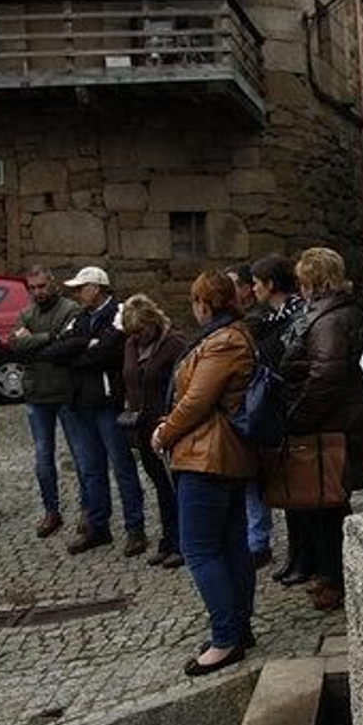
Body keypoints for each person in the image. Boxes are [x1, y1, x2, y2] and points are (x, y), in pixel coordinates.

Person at [152, 271, 258, 676]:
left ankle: (225, 638)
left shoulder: (225, 339)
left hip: (208, 456)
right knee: (230, 544)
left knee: (199, 548)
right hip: (217, 453)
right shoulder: (224, 337)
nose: (194, 309)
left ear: (205, 304)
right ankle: (237, 628)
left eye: (196, 301)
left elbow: (197, 400)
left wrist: (164, 431)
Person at [279, 247, 363, 611]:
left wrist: (298, 415)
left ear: (312, 280)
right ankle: (333, 573)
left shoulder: (330, 319)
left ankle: (337, 578)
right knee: (324, 504)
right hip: (334, 420)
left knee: (325, 504)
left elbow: (326, 374)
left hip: (332, 424)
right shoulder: (334, 312)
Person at [42, 266, 148, 557]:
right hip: (81, 403)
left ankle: (135, 528)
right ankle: (98, 527)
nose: (76, 294)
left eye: (81, 288)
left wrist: (78, 353)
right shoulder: (79, 318)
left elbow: (108, 352)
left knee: (122, 468)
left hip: (108, 403)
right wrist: (82, 346)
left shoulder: (118, 313)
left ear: (97, 288)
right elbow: (54, 352)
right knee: (90, 470)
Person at [249, 254, 313, 585]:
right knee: (287, 489)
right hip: (277, 407)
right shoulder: (268, 317)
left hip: (292, 404)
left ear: (271, 284)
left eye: (257, 283)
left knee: (302, 490)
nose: (253, 289)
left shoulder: (295, 314)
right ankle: (296, 554)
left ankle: (308, 557)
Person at [9, 266, 81, 537]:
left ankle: (88, 509)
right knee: (43, 457)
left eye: (41, 286)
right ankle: (51, 511)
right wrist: (49, 339)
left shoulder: (70, 310)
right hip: (36, 395)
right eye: (33, 288)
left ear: (52, 283)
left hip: (65, 392)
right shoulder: (26, 313)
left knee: (80, 456)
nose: (37, 292)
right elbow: (15, 346)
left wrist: (37, 343)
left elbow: (65, 348)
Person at [120, 294, 186, 568]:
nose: (137, 337)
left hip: (166, 424)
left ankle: (182, 542)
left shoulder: (174, 344)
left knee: (175, 487)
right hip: (142, 427)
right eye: (133, 333)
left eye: (140, 331)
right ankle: (168, 540)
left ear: (152, 322)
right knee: (160, 486)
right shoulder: (131, 345)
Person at [231, 263, 276, 569]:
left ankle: (258, 540)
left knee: (254, 479)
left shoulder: (256, 321)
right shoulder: (243, 321)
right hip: (245, 407)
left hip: (255, 405)